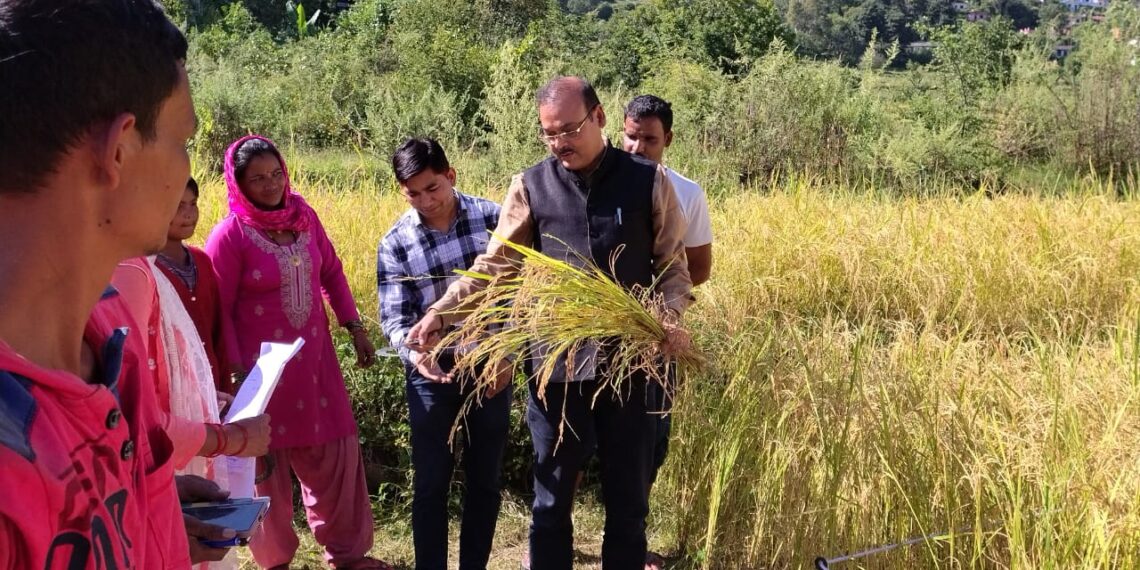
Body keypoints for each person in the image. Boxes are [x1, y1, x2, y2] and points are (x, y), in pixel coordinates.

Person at [408, 76, 694, 570]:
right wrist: (441, 311)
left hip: (632, 364)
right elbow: (494, 265)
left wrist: (670, 318)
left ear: (599, 119)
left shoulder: (648, 180)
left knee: (629, 505)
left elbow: (672, 266)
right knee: (552, 500)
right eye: (549, 133)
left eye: (570, 129)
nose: (560, 142)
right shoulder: (531, 186)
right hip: (555, 367)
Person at [0, 0, 235, 567]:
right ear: (119, 149)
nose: (185, 171)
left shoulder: (111, 331)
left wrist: (137, 509)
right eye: (183, 141)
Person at [205, 135, 388, 570]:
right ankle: (275, 560)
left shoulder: (305, 218)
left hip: (315, 367)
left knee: (334, 454)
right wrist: (232, 371)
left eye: (276, 175)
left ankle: (347, 555)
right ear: (239, 183)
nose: (270, 186)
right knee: (266, 469)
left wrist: (354, 327)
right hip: (263, 374)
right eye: (258, 179)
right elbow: (219, 309)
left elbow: (332, 271)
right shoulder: (231, 235)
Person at [377, 138, 513, 570]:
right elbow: (396, 319)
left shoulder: (496, 220)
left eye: (432, 188)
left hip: (492, 364)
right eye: (413, 193)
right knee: (431, 482)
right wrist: (414, 354)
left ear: (450, 175)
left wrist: (506, 350)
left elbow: (519, 295)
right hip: (432, 372)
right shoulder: (396, 242)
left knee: (484, 481)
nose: (425, 201)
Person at [622, 94, 715, 570]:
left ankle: (630, 543)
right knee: (573, 440)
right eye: (631, 136)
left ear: (668, 140)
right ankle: (558, 538)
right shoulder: (602, 182)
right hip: (596, 333)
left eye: (649, 139)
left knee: (652, 438)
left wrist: (656, 309)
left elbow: (695, 268)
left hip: (658, 334)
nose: (638, 147)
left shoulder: (686, 192)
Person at [156, 177, 237, 395]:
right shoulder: (147, 269)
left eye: (193, 204)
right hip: (174, 392)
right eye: (178, 206)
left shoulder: (201, 261)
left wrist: (225, 387)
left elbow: (217, 333)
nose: (189, 213)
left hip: (212, 387)